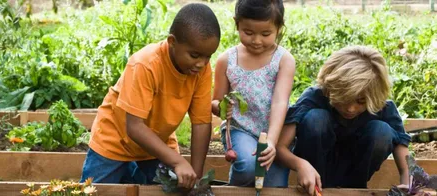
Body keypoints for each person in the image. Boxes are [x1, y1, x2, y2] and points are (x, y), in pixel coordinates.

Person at [79, 3, 221, 189]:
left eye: (208, 57)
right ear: (172, 42)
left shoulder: (200, 70)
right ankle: (128, 172)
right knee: (92, 191)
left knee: (174, 188)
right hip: (115, 140)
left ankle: (131, 174)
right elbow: (135, 127)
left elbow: (201, 123)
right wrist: (178, 162)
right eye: (194, 55)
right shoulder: (145, 65)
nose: (202, 63)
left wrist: (195, 178)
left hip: (157, 144)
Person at [275, 45, 411, 195]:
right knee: (316, 119)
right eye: (344, 100)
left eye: (360, 102)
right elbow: (280, 148)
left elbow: (406, 165)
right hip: (315, 175)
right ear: (330, 89)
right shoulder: (315, 97)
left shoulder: (382, 106)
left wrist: (408, 185)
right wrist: (301, 165)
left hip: (356, 176)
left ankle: (353, 190)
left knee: (382, 131)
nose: (351, 109)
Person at [211, 0, 296, 187]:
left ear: (279, 28)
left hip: (275, 132)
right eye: (248, 33)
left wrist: (272, 142)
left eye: (266, 34)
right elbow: (215, 102)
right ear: (237, 24)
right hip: (241, 129)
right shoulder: (227, 60)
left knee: (273, 188)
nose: (256, 40)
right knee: (248, 167)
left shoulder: (283, 60)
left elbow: (280, 102)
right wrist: (222, 108)